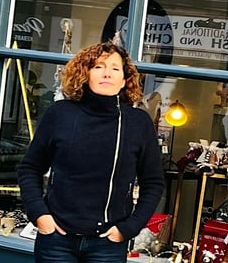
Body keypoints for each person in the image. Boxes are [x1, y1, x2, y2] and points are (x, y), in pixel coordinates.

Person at [18, 41, 165, 263]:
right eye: (98, 67)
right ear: (85, 74)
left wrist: (129, 228)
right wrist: (40, 215)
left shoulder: (137, 123)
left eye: (115, 68)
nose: (107, 73)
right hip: (57, 241)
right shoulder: (60, 114)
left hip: (107, 246)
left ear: (124, 80)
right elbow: (29, 168)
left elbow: (153, 183)